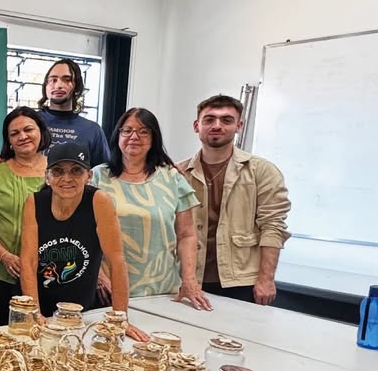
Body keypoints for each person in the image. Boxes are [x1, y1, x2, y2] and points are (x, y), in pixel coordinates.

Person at [19, 142, 147, 341]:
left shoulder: (99, 201)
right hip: (41, 304)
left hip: (83, 311)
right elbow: (28, 261)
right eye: (58, 171)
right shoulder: (34, 202)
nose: (66, 178)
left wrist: (120, 318)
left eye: (76, 170)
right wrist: (33, 312)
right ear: (47, 177)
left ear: (89, 176)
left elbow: (116, 260)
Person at [177, 94, 290, 305]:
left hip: (241, 281)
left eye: (226, 120)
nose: (217, 125)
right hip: (188, 278)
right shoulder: (178, 173)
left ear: (239, 126)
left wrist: (266, 279)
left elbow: (273, 227)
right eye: (209, 119)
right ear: (196, 126)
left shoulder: (262, 172)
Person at [91, 108, 208, 308]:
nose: (134, 136)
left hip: (161, 289)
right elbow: (83, 233)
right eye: (127, 130)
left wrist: (189, 280)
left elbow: (187, 235)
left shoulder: (172, 178)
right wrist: (98, 277)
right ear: (117, 135)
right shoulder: (97, 177)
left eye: (143, 131)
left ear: (154, 138)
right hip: (108, 289)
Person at [0, 107, 50, 326]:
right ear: (9, 140)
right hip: (4, 272)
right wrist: (4, 256)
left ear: (41, 131)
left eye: (28, 129)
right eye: (14, 133)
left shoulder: (58, 171)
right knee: (4, 332)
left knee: (45, 330)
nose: (22, 136)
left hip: (48, 272)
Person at [36, 58, 110, 167]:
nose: (58, 85)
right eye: (53, 80)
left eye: (67, 80)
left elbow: (103, 173)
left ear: (77, 86)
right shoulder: (30, 122)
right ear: (45, 87)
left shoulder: (92, 130)